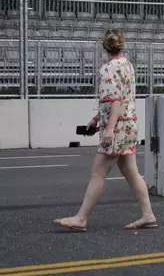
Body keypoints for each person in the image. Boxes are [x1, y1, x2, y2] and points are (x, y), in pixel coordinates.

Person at [54, 29, 157, 232]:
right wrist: (96, 119)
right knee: (131, 172)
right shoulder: (127, 65)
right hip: (129, 124)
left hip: (117, 127)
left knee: (98, 171)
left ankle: (81, 218)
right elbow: (123, 98)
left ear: (104, 47)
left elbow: (115, 101)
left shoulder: (108, 69)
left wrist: (108, 129)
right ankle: (148, 215)